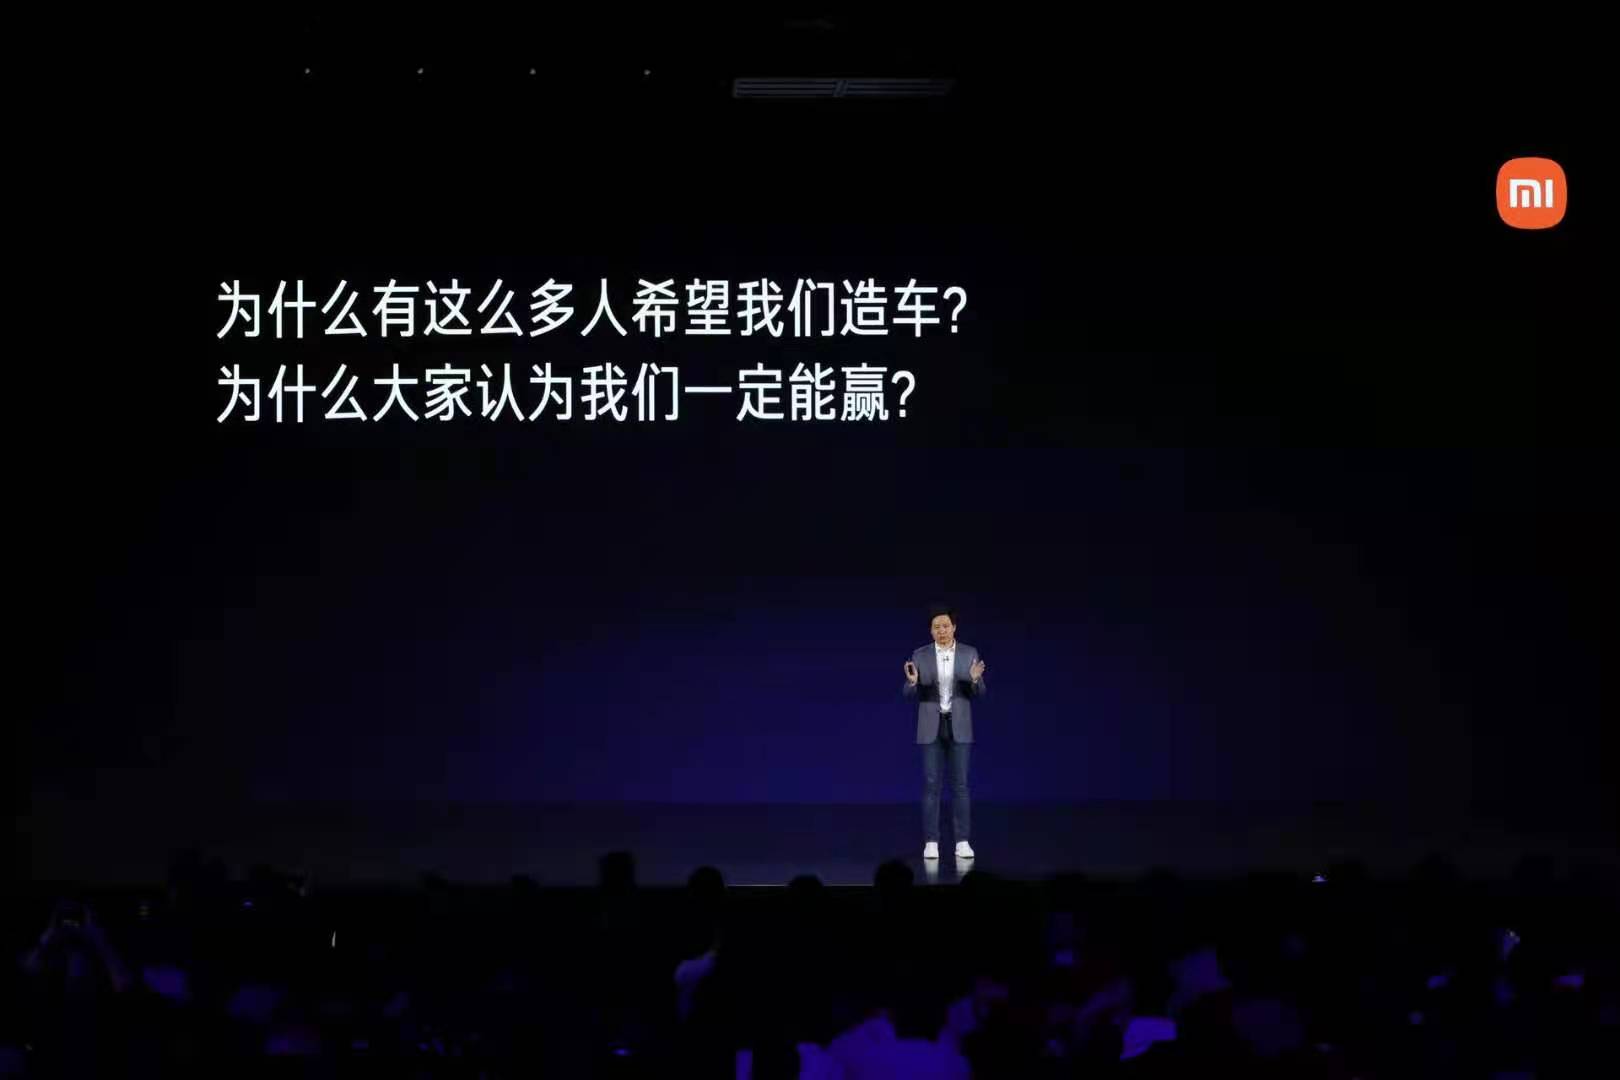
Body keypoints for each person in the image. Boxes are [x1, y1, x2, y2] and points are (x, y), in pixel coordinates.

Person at [903, 607, 986, 860]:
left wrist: (974, 680)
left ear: (954, 628)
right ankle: (931, 842)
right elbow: (908, 694)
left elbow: (980, 693)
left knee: (960, 785)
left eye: (946, 626)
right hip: (931, 727)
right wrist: (912, 683)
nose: (942, 631)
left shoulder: (969, 653)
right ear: (931, 630)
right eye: (937, 627)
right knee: (931, 785)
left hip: (959, 726)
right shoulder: (920, 655)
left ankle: (962, 841)